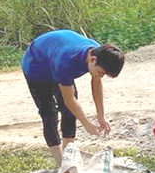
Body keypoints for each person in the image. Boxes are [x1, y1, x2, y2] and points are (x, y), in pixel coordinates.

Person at [21, 29, 125, 165]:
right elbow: (69, 100)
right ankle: (61, 164)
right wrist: (87, 124)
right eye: (101, 72)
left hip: (54, 56)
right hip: (36, 65)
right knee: (49, 113)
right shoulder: (66, 62)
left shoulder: (98, 53)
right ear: (92, 60)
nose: (101, 76)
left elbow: (96, 82)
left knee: (69, 112)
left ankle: (68, 158)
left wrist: (101, 115)